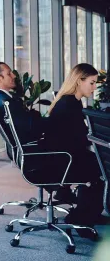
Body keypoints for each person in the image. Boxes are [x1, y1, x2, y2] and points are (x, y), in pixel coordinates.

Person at [43, 63, 104, 234]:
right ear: (79, 81)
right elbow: (80, 137)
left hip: (65, 155)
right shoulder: (69, 105)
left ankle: (86, 214)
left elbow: (77, 135)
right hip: (64, 160)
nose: (94, 87)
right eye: (91, 83)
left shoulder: (70, 101)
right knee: (102, 169)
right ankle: (82, 220)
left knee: (99, 164)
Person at [0, 62, 45, 157]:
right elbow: (31, 126)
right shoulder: (7, 102)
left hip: (19, 150)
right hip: (31, 149)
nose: (14, 75)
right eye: (9, 73)